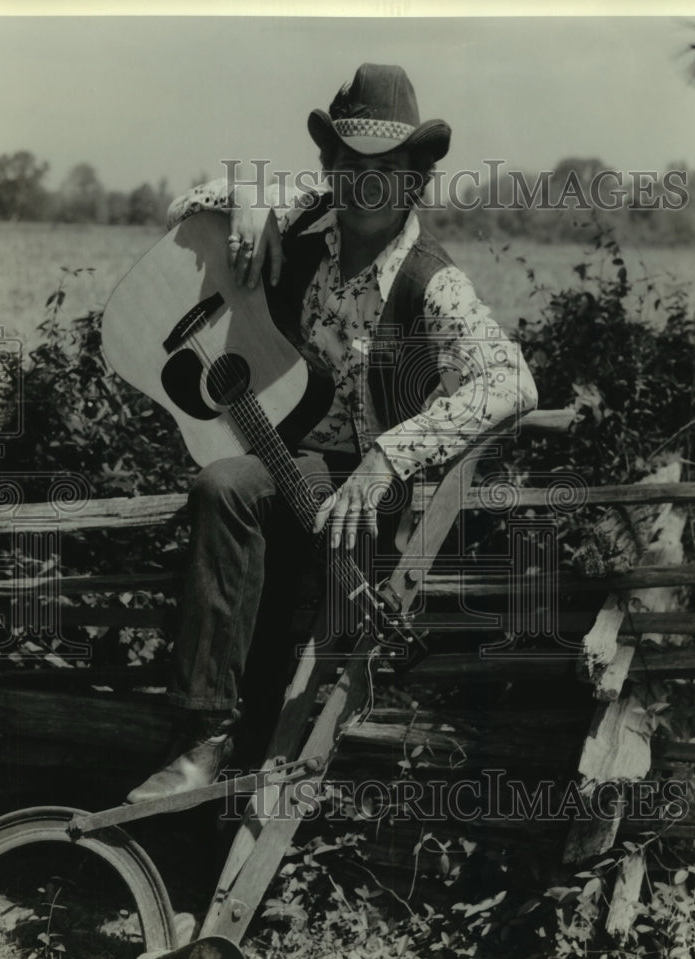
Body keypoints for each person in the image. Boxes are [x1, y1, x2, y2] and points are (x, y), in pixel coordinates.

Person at [125, 63, 538, 804]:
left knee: (248, 501)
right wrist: (247, 204)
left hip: (359, 486)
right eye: (347, 164)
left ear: (414, 179)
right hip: (280, 456)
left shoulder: (429, 282)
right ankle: (204, 737)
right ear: (328, 167)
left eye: (386, 169)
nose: (363, 184)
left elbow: (512, 383)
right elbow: (186, 207)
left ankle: (256, 754)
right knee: (224, 484)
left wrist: (387, 458)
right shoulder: (304, 224)